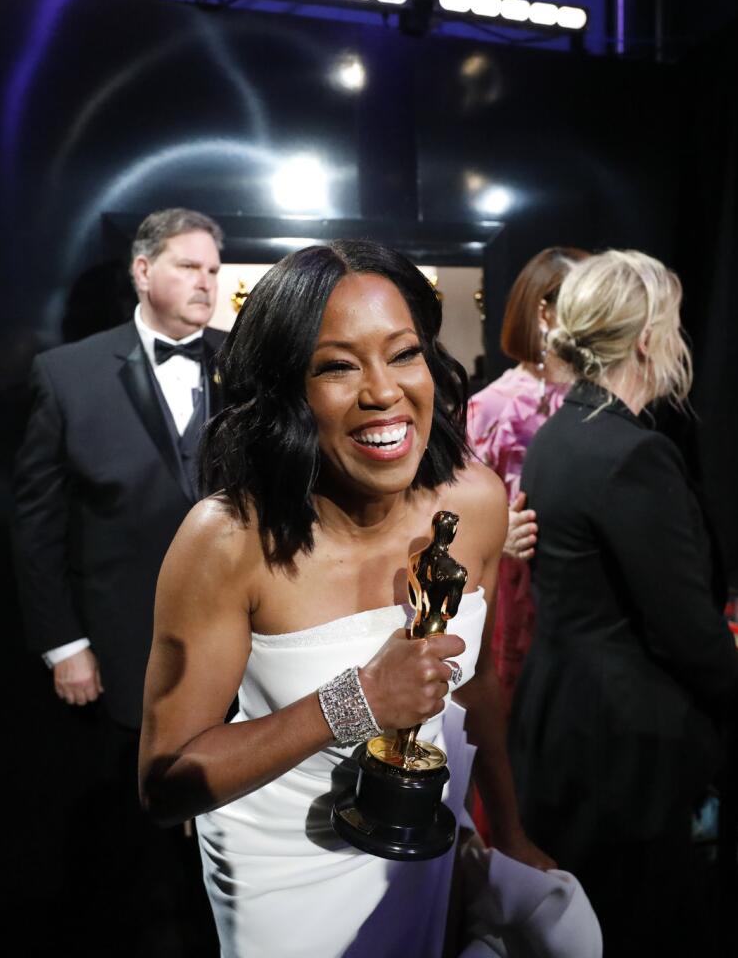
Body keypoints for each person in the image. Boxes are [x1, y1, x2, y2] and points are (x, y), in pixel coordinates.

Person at [137, 240, 556, 958]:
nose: (383, 391)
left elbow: (477, 684)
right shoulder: (228, 540)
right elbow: (165, 782)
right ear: (285, 390)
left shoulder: (477, 502)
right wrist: (357, 700)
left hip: (424, 844)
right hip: (284, 872)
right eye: (336, 366)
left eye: (403, 353)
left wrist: (506, 832)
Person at [511, 249, 738, 955]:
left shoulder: (560, 434)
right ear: (649, 340)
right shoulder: (633, 453)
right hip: (621, 751)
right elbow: (683, 624)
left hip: (562, 721)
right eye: (674, 323)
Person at [11, 207, 225, 952]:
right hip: (126, 646)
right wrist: (63, 642)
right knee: (138, 851)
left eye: (212, 268)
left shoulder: (252, 365)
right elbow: (36, 523)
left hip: (250, 643)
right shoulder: (67, 375)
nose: (207, 281)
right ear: (143, 272)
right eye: (189, 267)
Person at [467, 247, 589, 694]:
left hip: (589, 607)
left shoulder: (602, 400)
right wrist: (496, 537)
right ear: (546, 311)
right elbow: (442, 522)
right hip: (519, 608)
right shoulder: (491, 409)